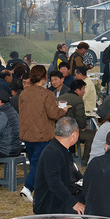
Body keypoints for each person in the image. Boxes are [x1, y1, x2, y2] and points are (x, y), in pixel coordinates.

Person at [18, 64, 68, 203]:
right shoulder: (47, 94)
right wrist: (63, 111)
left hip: (27, 132)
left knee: (37, 162)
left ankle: (40, 191)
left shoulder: (24, 93)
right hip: (42, 133)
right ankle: (27, 188)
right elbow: (53, 114)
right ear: (45, 77)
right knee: (38, 163)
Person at [33, 117, 85, 215]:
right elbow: (54, 183)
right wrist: (73, 203)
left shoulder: (64, 150)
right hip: (51, 204)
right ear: (74, 134)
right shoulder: (52, 153)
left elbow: (77, 175)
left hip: (62, 198)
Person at [62, 79, 96, 162]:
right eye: (83, 89)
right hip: (71, 131)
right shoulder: (78, 100)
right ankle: (86, 159)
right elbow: (80, 118)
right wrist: (83, 126)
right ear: (77, 90)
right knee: (93, 135)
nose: (84, 91)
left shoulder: (60, 97)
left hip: (60, 129)